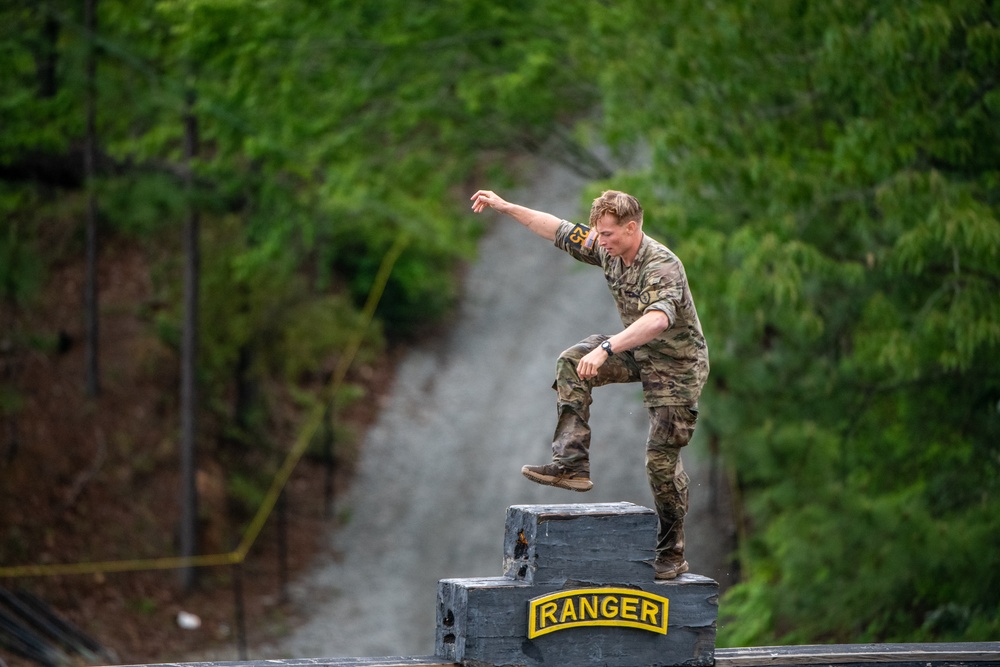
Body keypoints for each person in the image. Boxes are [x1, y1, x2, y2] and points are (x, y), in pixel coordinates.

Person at [470, 188, 710, 580]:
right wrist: (506, 205)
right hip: (637, 351)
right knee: (570, 362)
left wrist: (607, 348)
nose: (601, 243)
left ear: (631, 228)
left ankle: (672, 552)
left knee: (660, 464)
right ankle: (571, 463)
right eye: (598, 234)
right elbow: (557, 229)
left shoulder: (661, 265)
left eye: (609, 235)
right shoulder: (606, 246)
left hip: (677, 368)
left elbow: (658, 321)